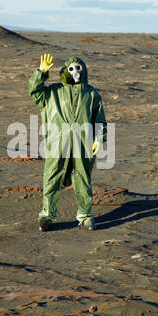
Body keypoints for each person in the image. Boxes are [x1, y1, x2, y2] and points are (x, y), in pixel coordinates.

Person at [29, 54, 107, 231]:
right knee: (52, 177)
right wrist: (41, 72)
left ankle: (85, 216)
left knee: (82, 179)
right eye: (71, 68)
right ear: (65, 71)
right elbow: (35, 92)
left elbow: (99, 119)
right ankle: (47, 215)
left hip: (83, 144)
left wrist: (98, 138)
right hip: (57, 144)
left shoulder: (91, 94)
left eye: (78, 68)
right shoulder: (53, 92)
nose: (75, 72)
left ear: (84, 71)